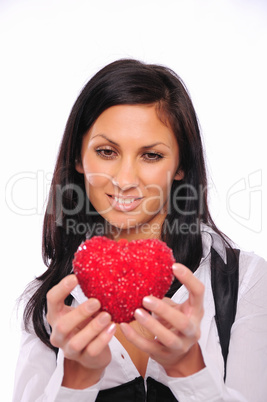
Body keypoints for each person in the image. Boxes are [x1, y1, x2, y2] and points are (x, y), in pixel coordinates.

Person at [13, 59, 267, 402]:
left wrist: (188, 369)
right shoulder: (49, 301)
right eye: (106, 151)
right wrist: (76, 379)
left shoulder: (247, 281)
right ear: (78, 158)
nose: (125, 180)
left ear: (180, 166)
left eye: (151, 155)